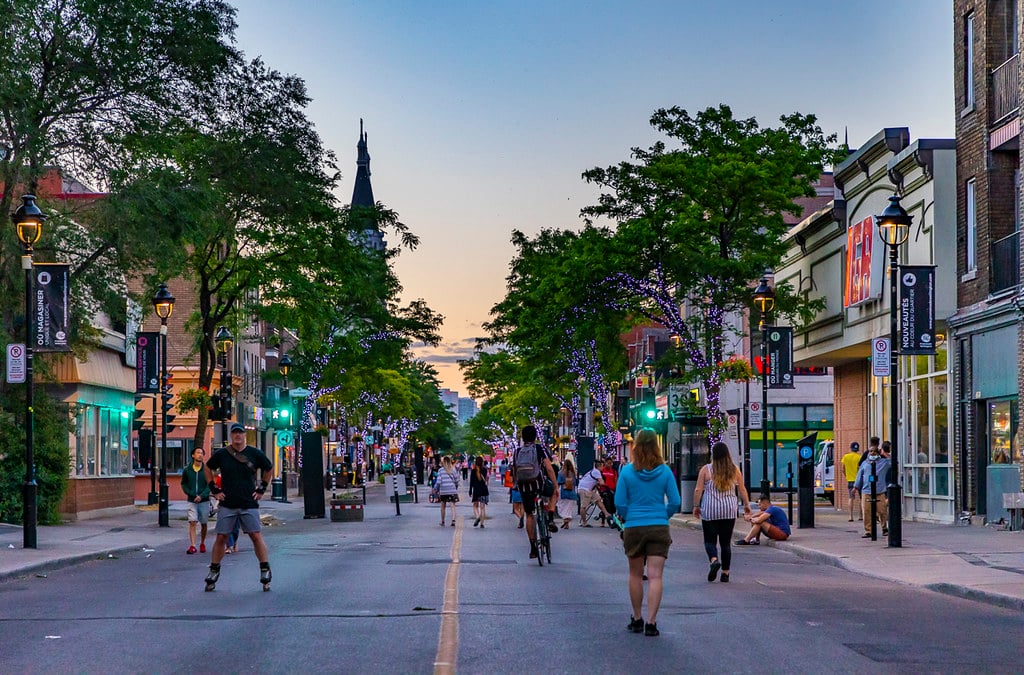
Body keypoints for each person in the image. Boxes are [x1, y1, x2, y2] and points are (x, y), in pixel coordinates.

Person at [615, 429, 681, 637]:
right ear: (656, 446)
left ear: (635, 446)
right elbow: (676, 502)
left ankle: (637, 618)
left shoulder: (626, 472)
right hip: (658, 526)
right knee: (655, 576)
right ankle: (651, 623)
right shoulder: (665, 471)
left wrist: (628, 517)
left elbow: (619, 503)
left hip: (634, 525)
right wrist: (663, 514)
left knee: (635, 574)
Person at [203, 423, 274, 591]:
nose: (238, 436)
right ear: (231, 436)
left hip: (248, 502)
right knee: (221, 537)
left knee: (256, 536)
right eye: (234, 433)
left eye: (240, 433)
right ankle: (214, 570)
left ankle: (265, 569)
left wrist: (262, 488)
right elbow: (208, 468)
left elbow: (268, 468)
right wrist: (214, 490)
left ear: (244, 436)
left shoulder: (254, 453)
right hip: (227, 503)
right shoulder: (222, 454)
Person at [693, 441, 751, 583]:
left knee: (709, 541)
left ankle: (714, 560)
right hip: (729, 510)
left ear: (713, 454)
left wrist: (696, 505)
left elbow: (698, 489)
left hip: (710, 510)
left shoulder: (706, 470)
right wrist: (747, 505)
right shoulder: (734, 470)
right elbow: (742, 489)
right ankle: (725, 573)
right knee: (725, 543)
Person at [512, 425, 558, 559]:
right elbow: (549, 468)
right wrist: (555, 486)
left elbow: (515, 471)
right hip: (538, 484)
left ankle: (532, 547)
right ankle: (549, 518)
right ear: (535, 437)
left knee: (529, 514)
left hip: (524, 486)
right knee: (553, 493)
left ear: (522, 437)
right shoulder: (538, 449)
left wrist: (517, 484)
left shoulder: (517, 451)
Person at [852, 443, 891, 538]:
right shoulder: (865, 464)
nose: (872, 453)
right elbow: (859, 476)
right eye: (871, 451)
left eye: (875, 451)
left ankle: (884, 528)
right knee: (866, 511)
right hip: (866, 490)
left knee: (882, 510)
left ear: (879, 453)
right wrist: (855, 487)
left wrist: (886, 455)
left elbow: (893, 463)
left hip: (879, 491)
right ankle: (868, 530)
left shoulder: (884, 463)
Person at [180, 447, 211, 555]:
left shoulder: (207, 469)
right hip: (192, 500)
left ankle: (202, 542)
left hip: (204, 500)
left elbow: (210, 485)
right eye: (198, 453)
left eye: (202, 453)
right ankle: (193, 545)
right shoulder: (187, 470)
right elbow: (183, 483)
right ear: (193, 455)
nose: (200, 455)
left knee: (203, 523)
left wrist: (202, 496)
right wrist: (191, 494)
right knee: (192, 522)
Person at [578, 462, 612, 527]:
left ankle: (607, 514)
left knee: (598, 499)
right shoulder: (597, 472)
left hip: (588, 489)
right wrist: (608, 486)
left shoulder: (593, 471)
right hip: (585, 489)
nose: (603, 468)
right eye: (602, 466)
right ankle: (584, 522)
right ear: (599, 467)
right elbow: (602, 482)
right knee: (584, 506)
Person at [434, 456, 460, 526]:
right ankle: (453, 520)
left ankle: (442, 521)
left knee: (443, 506)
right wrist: (456, 486)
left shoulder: (440, 470)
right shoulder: (453, 469)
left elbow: (438, 481)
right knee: (452, 505)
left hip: (443, 490)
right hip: (452, 489)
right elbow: (457, 480)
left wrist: (435, 489)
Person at [841, 441, 864, 522]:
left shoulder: (845, 457)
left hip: (850, 480)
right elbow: (860, 469)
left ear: (850, 448)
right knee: (861, 498)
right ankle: (861, 515)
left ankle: (850, 516)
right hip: (859, 480)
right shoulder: (859, 457)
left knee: (851, 498)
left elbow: (843, 469)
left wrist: (847, 476)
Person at [556, 458, 578, 529]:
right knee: (569, 508)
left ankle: (565, 520)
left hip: (563, 492)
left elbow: (558, 482)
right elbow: (575, 482)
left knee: (561, 506)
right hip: (571, 492)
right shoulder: (573, 473)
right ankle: (567, 521)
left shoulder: (560, 473)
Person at [469, 456, 489, 527]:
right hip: (484, 490)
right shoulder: (485, 470)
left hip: (476, 490)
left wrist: (470, 491)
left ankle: (477, 517)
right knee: (482, 508)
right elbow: (486, 479)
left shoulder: (473, 471)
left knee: (475, 506)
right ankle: (482, 523)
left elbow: (471, 482)